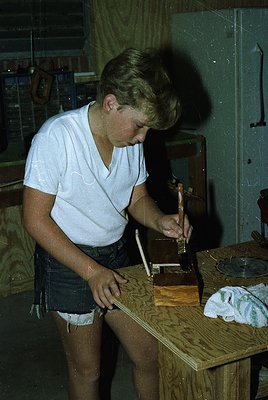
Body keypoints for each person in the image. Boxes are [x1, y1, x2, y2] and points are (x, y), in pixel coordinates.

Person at [22, 48, 192, 400]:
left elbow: (136, 198)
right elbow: (34, 220)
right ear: (111, 103)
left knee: (149, 354)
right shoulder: (57, 138)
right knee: (88, 371)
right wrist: (89, 271)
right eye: (141, 124)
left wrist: (161, 220)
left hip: (116, 257)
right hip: (69, 264)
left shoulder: (127, 140)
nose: (143, 137)